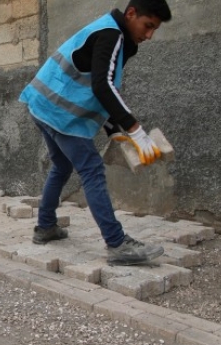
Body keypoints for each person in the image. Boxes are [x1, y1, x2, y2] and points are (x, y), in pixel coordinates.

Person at [18, 0, 172, 265]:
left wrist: (113, 130)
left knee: (62, 166)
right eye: (148, 26)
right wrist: (135, 130)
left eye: (154, 29)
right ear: (131, 14)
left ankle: (45, 227)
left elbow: (101, 84)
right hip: (59, 113)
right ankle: (117, 244)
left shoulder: (118, 36)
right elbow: (103, 87)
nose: (149, 35)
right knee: (91, 170)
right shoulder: (111, 34)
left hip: (42, 104)